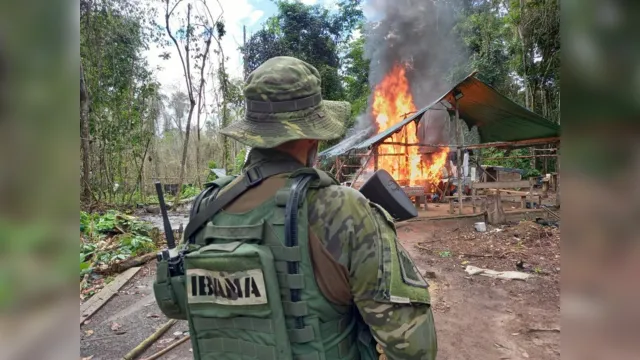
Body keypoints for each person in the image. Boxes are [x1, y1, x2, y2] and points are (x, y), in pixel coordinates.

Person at [157, 56, 437, 360]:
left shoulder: (208, 205)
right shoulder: (341, 210)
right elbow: (414, 347)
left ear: (254, 134)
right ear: (311, 136)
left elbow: (179, 306)